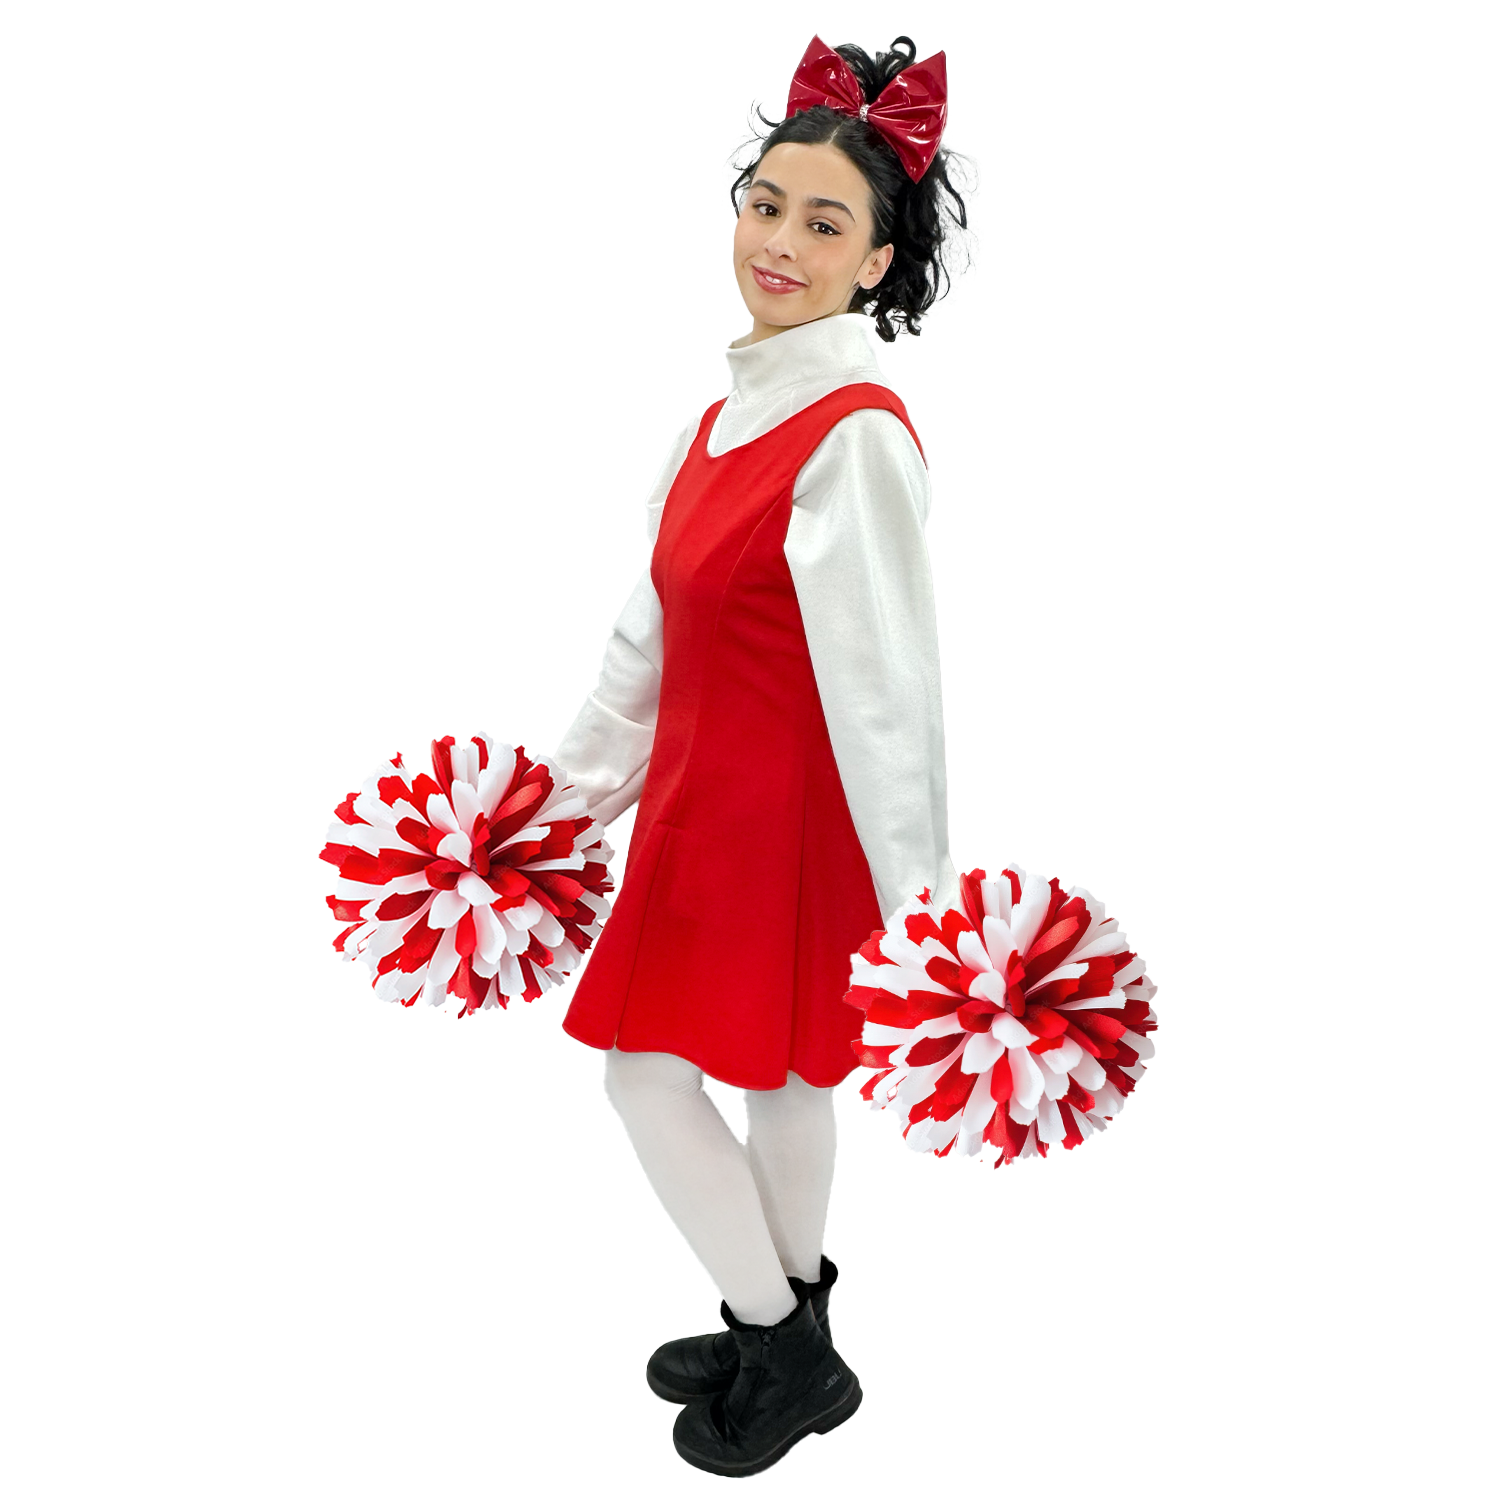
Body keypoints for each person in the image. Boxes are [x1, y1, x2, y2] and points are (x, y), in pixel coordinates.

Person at [548, 34, 969, 1477]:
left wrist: (928, 921)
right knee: (779, 1081)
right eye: (766, 203)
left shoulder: (856, 439)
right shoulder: (715, 422)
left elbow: (891, 697)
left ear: (877, 264)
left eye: (825, 223)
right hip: (699, 810)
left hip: (782, 829)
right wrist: (557, 808)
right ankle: (791, 1335)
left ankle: (776, 1340)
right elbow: (644, 642)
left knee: (647, 1079)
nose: (780, 242)